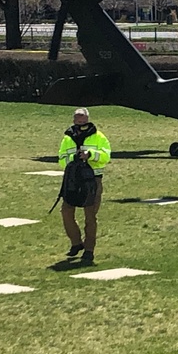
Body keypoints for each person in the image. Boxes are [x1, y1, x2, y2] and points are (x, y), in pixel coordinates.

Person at [58, 107, 111, 263]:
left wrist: (90, 156)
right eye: (78, 120)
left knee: (90, 216)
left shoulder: (98, 137)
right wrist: (73, 159)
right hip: (73, 179)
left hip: (92, 180)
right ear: (74, 121)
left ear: (88, 120)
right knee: (66, 211)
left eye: (84, 121)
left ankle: (89, 250)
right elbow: (61, 158)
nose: (81, 123)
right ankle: (76, 243)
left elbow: (106, 156)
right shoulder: (68, 138)